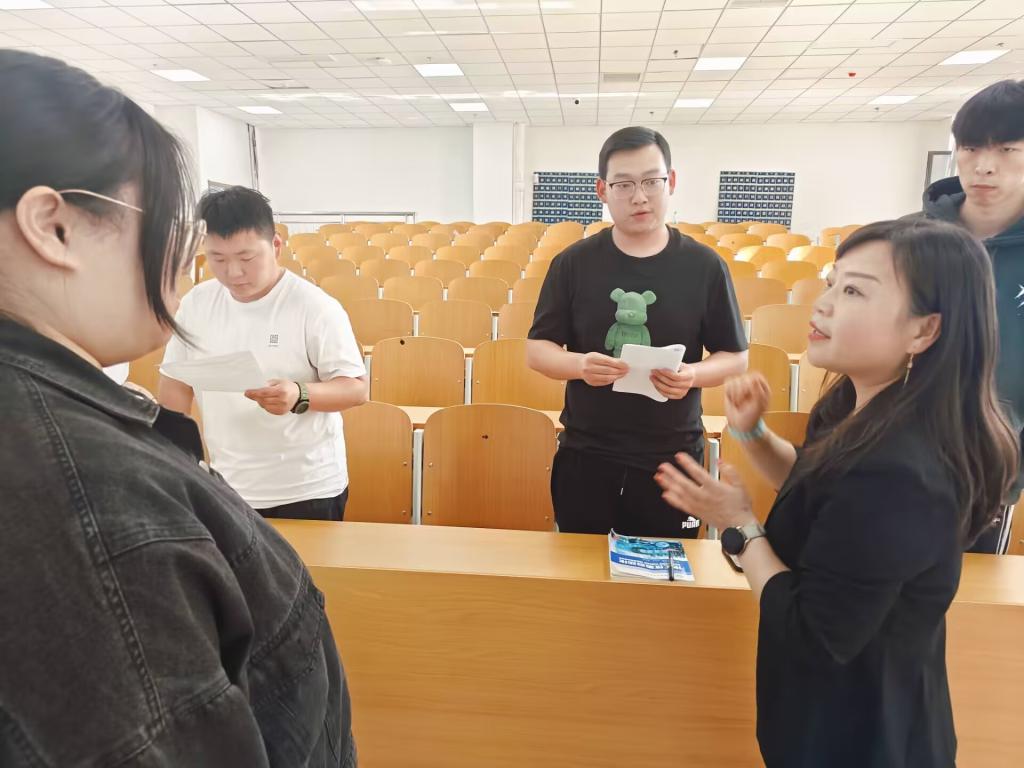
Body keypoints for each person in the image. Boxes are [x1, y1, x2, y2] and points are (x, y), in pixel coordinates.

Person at [0, 50, 357, 765]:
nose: (198, 265)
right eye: (176, 230)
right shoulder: (91, 491)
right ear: (54, 227)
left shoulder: (314, 307)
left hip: (301, 480)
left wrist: (294, 399)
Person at [656, 219, 1018, 767]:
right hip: (831, 715)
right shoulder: (858, 403)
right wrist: (753, 434)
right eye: (831, 283)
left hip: (865, 737)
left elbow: (811, 633)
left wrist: (740, 527)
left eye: (853, 292)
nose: (821, 304)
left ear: (923, 331)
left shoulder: (901, 470)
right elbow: (821, 489)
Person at [527, 126, 747, 538]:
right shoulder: (572, 264)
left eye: (651, 181)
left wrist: (692, 375)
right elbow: (537, 350)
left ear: (671, 182)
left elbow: (735, 357)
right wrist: (580, 365)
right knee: (581, 568)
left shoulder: (704, 267)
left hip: (674, 458)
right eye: (623, 184)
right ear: (602, 190)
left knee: (670, 571)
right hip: (587, 454)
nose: (639, 196)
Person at [159, 187, 368, 521]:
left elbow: (356, 389)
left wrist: (299, 394)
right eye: (217, 259)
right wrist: (175, 459)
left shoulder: (315, 307)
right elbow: (175, 383)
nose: (233, 272)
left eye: (246, 258)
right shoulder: (197, 304)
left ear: (276, 246)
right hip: (227, 484)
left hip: (307, 488)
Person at [920, 79, 1024, 554]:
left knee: (966, 595)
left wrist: (1008, 473)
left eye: (1006, 149)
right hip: (888, 465)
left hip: (988, 479)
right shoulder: (909, 242)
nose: (984, 165)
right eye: (970, 147)